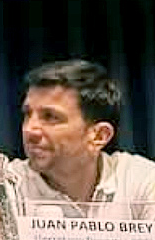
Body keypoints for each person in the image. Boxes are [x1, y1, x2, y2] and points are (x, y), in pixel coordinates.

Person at [11, 59, 155, 218]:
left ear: (99, 136)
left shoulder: (143, 180)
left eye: (50, 117)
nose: (29, 130)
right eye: (27, 114)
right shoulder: (5, 186)